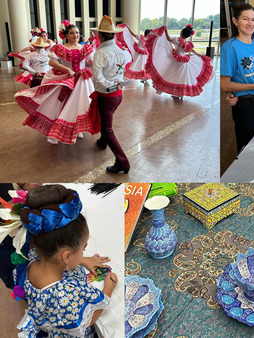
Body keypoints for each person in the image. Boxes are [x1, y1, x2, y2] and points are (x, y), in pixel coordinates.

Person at [12, 185, 117, 337]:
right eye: (83, 248)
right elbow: (87, 320)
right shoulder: (64, 297)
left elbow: (56, 258)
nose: (84, 252)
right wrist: (109, 287)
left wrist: (82, 259)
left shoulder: (33, 258)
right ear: (66, 257)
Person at [15, 20, 96, 144]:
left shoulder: (84, 47)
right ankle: (58, 130)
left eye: (77, 33)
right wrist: (67, 69)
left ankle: (77, 129)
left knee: (80, 104)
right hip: (67, 79)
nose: (76, 35)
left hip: (82, 80)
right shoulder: (60, 48)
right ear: (66, 35)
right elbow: (51, 62)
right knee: (62, 103)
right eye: (72, 33)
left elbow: (92, 61)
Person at [221, 4, 254, 153]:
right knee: (247, 149)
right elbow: (225, 84)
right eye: (245, 19)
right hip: (246, 105)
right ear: (235, 20)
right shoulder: (230, 47)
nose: (250, 23)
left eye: (253, 19)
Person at [88, 15, 132, 174]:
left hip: (108, 96)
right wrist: (116, 82)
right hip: (119, 94)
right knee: (106, 122)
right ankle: (102, 141)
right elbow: (126, 62)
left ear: (100, 34)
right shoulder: (119, 49)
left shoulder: (101, 52)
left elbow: (97, 77)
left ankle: (123, 162)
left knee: (107, 129)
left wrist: (109, 85)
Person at [144, 23, 213, 99]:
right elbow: (192, 50)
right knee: (182, 78)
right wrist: (199, 55)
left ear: (181, 33)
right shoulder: (188, 43)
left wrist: (166, 30)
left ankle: (177, 93)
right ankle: (180, 94)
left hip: (177, 61)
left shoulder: (178, 40)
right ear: (188, 36)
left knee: (172, 76)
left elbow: (168, 39)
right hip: (184, 62)